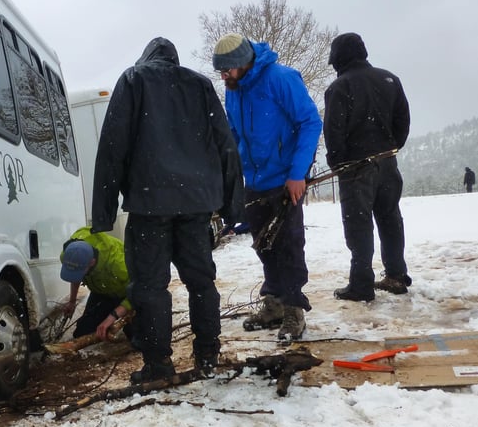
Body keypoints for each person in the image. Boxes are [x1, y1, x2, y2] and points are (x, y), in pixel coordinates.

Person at [91, 37, 244, 383]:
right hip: (195, 206)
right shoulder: (200, 85)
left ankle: (158, 364)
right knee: (202, 282)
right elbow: (227, 146)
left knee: (150, 287)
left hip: (150, 203)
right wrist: (233, 206)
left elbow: (112, 147)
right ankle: (207, 355)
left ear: (146, 57)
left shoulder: (134, 80)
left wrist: (103, 212)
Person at [211, 33, 322, 341]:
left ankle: (293, 310)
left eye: (227, 69)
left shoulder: (281, 78)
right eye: (220, 70)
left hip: (286, 179)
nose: (223, 76)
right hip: (254, 181)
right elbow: (234, 133)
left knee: (288, 245)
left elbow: (310, 122)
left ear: (244, 62)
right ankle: (273, 304)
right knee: (264, 244)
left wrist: (298, 173)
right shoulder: (234, 89)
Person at [323, 32, 412, 300]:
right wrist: (389, 148)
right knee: (390, 218)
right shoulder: (390, 79)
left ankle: (361, 285)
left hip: (355, 168)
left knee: (358, 225)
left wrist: (339, 163)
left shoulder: (339, 87)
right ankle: (396, 275)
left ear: (339, 58)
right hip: (387, 163)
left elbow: (333, 132)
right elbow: (403, 122)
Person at [59, 227, 133, 342]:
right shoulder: (69, 254)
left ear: (92, 262)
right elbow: (76, 275)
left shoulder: (119, 264)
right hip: (102, 292)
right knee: (83, 333)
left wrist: (112, 316)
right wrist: (72, 301)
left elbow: (141, 289)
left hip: (129, 294)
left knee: (136, 336)